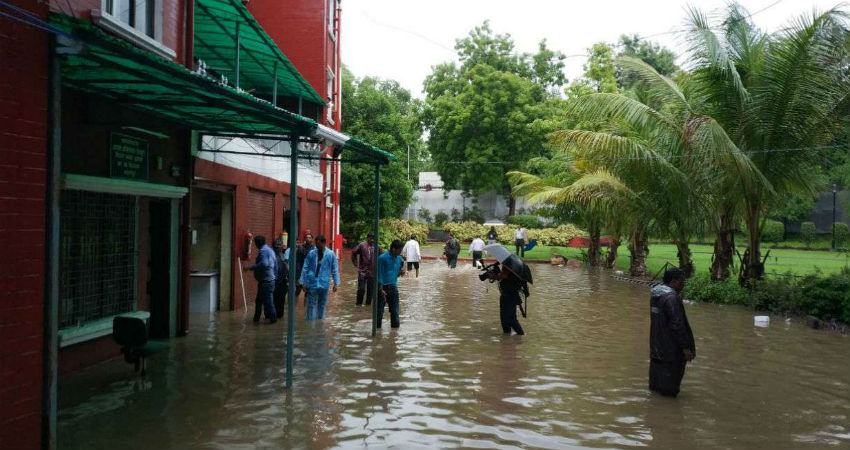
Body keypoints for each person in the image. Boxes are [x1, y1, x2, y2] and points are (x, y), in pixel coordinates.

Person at [649, 267, 696, 397]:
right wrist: (686, 347)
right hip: (671, 353)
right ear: (674, 281)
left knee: (656, 389)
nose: (683, 284)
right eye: (682, 281)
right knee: (670, 392)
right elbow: (677, 325)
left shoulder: (655, 295)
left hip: (657, 348)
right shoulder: (671, 298)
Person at [299, 235, 340, 320]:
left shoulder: (330, 254)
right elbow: (305, 267)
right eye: (316, 244)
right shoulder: (312, 253)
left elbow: (335, 269)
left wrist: (336, 283)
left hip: (324, 283)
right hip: (312, 282)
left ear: (324, 243)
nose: (317, 246)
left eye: (318, 244)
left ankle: (320, 322)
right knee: (311, 304)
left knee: (322, 304)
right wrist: (303, 282)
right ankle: (310, 323)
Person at [246, 235, 277, 324]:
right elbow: (275, 265)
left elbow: (264, 264)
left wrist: (250, 268)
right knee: (259, 301)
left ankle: (272, 320)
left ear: (257, 244)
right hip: (269, 280)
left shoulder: (263, 251)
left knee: (268, 302)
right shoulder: (270, 250)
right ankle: (256, 319)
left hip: (266, 281)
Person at [377, 240, 405, 328]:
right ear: (393, 249)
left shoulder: (399, 259)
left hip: (393, 287)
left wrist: (401, 272)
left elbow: (396, 274)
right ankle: (377, 334)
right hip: (382, 288)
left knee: (395, 312)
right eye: (400, 250)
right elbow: (379, 274)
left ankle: (394, 337)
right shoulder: (382, 258)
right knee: (379, 313)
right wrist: (380, 289)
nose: (401, 252)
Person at [494, 263, 526, 335]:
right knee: (506, 320)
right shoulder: (513, 276)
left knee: (510, 319)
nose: (502, 267)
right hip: (507, 299)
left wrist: (493, 276)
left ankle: (518, 335)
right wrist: (522, 311)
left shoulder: (509, 273)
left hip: (508, 299)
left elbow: (500, 277)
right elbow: (518, 299)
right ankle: (508, 340)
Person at [351, 234, 376, 306]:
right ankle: (358, 304)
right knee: (361, 289)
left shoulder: (376, 247)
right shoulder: (362, 245)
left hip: (372, 272)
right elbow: (353, 252)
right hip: (362, 271)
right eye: (371, 238)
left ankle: (368, 305)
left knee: (370, 290)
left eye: (373, 239)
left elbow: (380, 258)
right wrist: (355, 263)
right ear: (367, 238)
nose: (372, 240)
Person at [295, 232, 315, 302]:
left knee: (308, 293)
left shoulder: (314, 249)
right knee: (297, 291)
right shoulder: (300, 249)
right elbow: (297, 262)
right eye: (306, 237)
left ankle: (305, 311)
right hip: (300, 272)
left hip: (310, 274)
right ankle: (294, 308)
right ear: (304, 239)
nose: (308, 239)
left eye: (309, 238)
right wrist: (297, 277)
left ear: (312, 239)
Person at [272, 237, 288, 319]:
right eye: (276, 245)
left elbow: (286, 268)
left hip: (283, 282)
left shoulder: (282, 254)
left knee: (281, 301)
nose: (278, 246)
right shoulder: (272, 255)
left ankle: (279, 318)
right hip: (275, 281)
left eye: (280, 245)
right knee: (274, 300)